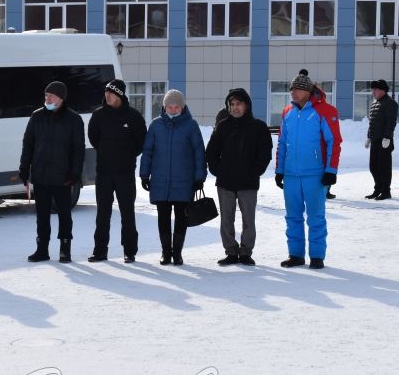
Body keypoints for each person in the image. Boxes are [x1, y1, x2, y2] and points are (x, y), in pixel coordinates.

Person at [274, 69, 340, 269]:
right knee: (292, 216)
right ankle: (296, 255)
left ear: (308, 91)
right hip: (292, 176)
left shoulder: (326, 111)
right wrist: (280, 169)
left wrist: (331, 170)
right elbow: (282, 142)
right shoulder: (287, 112)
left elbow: (334, 142)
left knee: (316, 217)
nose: (293, 92)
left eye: (298, 89)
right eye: (292, 89)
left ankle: (317, 256)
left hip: (315, 174)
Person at [19, 80, 86, 263]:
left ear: (61, 98)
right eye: (46, 96)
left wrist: (74, 173)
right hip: (40, 175)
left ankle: (65, 248)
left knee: (64, 215)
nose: (47, 99)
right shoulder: (36, 117)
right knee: (41, 215)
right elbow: (28, 144)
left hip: (63, 177)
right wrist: (24, 169)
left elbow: (78, 149)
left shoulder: (73, 119)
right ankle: (42, 249)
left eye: (51, 96)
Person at [205, 88, 273, 266]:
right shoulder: (222, 126)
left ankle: (245, 252)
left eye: (239, 104)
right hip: (225, 182)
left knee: (248, 220)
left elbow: (265, 154)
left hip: (248, 182)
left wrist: (254, 172)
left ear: (246, 106)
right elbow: (211, 152)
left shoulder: (258, 127)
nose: (235, 108)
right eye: (232, 104)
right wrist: (217, 170)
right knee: (226, 220)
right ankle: (231, 252)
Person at [139, 89, 206, 266]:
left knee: (181, 216)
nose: (173, 109)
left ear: (182, 108)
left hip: (184, 180)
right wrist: (144, 175)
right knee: (163, 216)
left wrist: (199, 177)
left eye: (177, 106)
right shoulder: (155, 126)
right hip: (160, 180)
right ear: (164, 107)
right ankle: (165, 252)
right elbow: (148, 152)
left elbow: (199, 151)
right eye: (170, 106)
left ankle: (177, 253)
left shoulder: (191, 125)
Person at [86, 79, 146, 263]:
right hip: (103, 172)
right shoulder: (98, 115)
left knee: (127, 213)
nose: (108, 95)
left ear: (120, 95)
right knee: (102, 214)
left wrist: (126, 157)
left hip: (125, 173)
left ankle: (130, 251)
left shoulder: (133, 116)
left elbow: (140, 143)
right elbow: (94, 138)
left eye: (111, 93)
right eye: (106, 92)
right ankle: (100, 251)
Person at [365, 79, 398, 200]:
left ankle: (386, 191)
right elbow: (372, 123)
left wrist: (387, 137)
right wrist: (369, 136)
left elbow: (391, 122)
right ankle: (378, 188)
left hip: (385, 141)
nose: (373, 92)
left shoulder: (390, 103)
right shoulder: (375, 103)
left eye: (375, 90)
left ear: (382, 90)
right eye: (372, 90)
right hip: (375, 140)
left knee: (384, 167)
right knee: (373, 166)